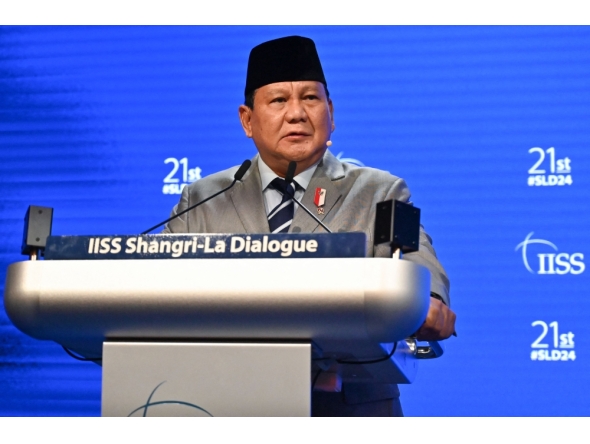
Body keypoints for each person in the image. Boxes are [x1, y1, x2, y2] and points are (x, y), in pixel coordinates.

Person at [163, 35, 456, 416]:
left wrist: (428, 302)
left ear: (331, 112)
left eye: (310, 98)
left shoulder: (379, 192)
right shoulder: (203, 199)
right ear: (247, 120)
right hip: (226, 409)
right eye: (279, 100)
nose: (297, 113)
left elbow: (420, 272)